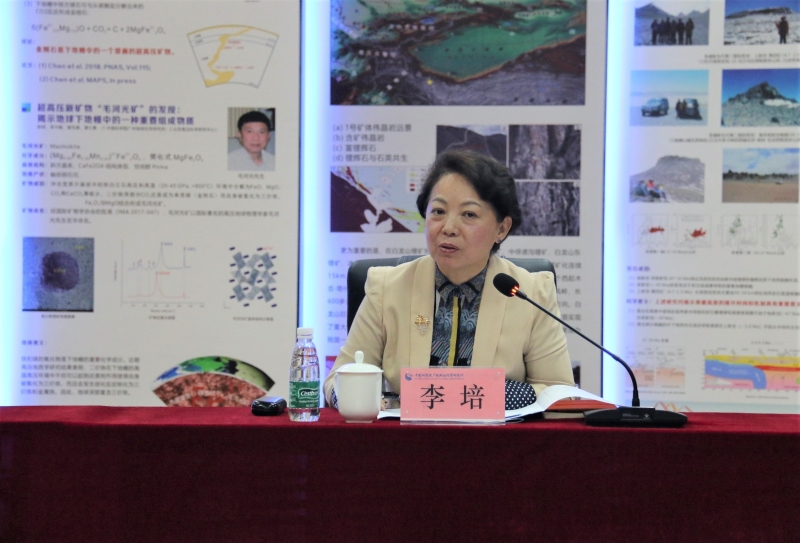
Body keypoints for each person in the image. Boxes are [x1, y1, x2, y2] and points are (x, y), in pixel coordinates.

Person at [323, 149, 575, 410]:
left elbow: (558, 393)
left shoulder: (532, 292)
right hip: (408, 434)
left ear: (501, 228)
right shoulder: (387, 287)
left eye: (469, 214)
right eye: (439, 211)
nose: (448, 228)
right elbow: (335, 382)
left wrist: (492, 394)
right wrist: (363, 398)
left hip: (498, 436)